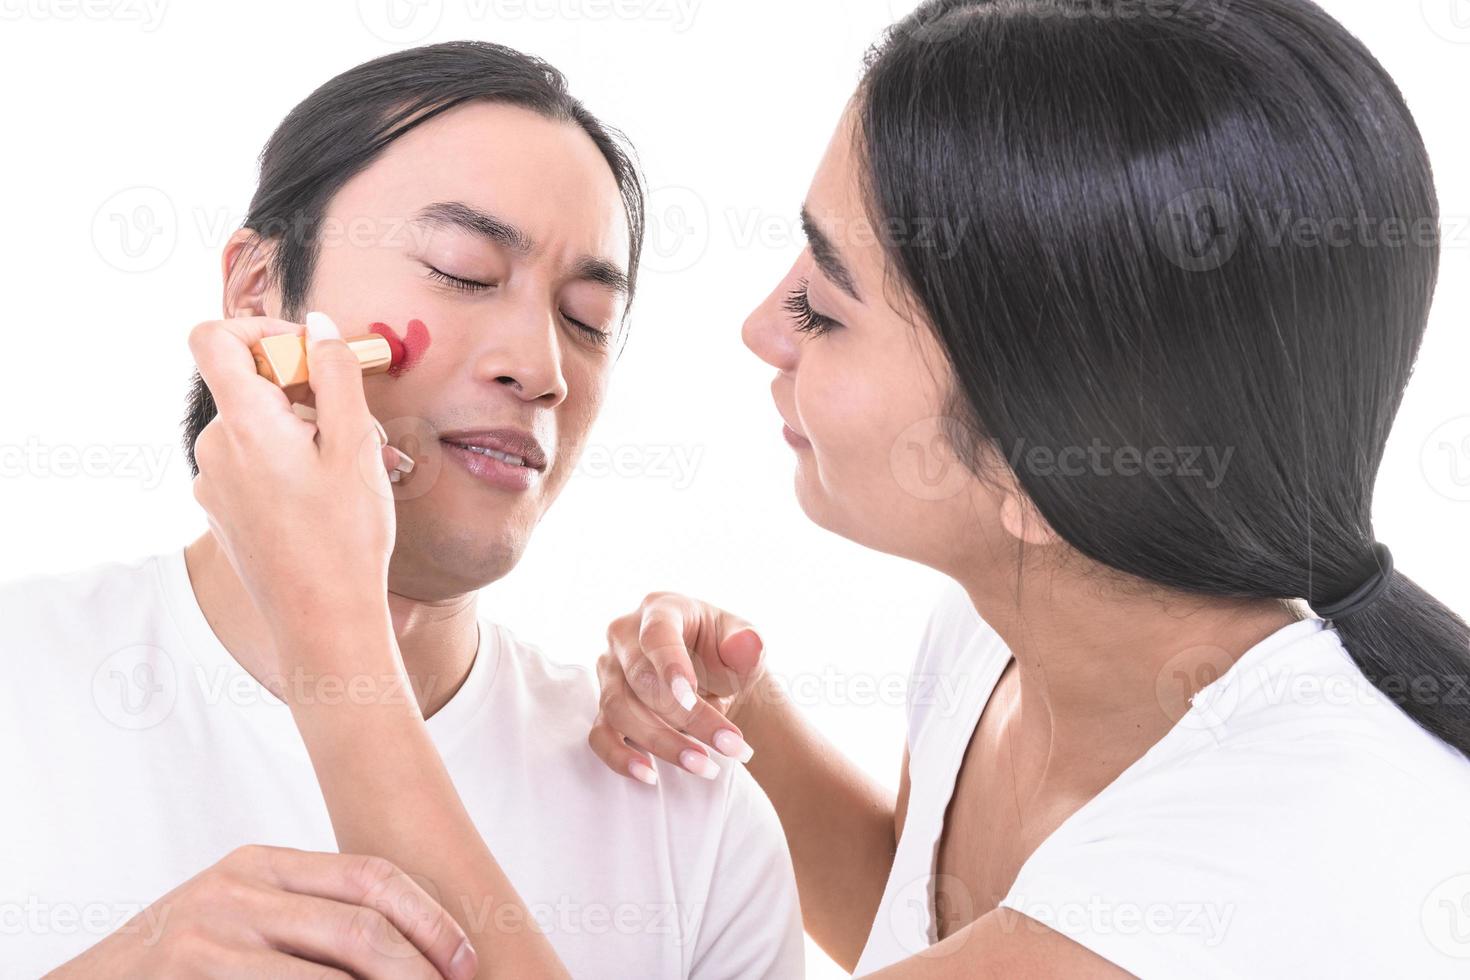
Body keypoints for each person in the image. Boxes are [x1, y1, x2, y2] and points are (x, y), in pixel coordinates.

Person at [585, 0, 1470, 976]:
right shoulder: (1000, 627)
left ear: (1037, 466)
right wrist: (736, 713)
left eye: (824, 308)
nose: (764, 326)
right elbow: (941, 919)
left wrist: (376, 643)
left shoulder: (1260, 856)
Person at [0, 41, 802, 979]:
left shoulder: (691, 826)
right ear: (259, 290)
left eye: (586, 319)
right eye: (463, 271)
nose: (541, 370)